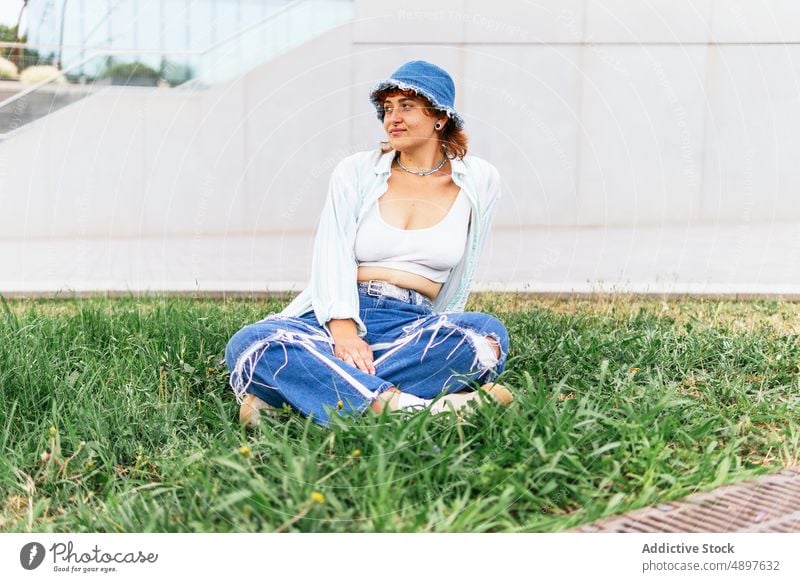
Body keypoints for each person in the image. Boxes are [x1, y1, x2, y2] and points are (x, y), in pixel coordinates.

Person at [225, 60, 512, 428]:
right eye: (387, 109)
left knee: (485, 338)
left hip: (411, 324)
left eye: (406, 106)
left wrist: (434, 329)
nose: (393, 117)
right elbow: (332, 251)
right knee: (253, 342)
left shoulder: (480, 180)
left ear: (440, 117)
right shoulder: (357, 171)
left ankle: (292, 395)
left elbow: (465, 266)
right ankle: (413, 409)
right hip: (338, 313)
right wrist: (343, 330)